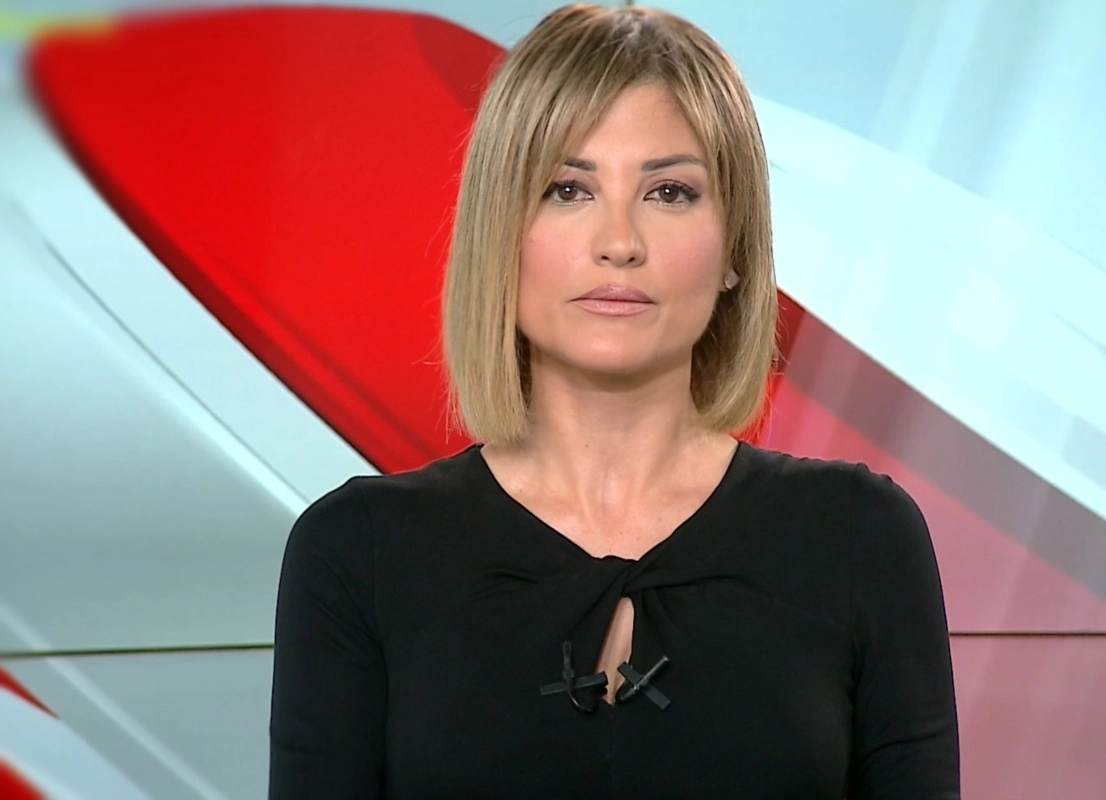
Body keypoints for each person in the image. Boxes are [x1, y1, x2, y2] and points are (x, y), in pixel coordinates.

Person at [268, 4, 960, 798]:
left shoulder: (858, 537)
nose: (620, 243)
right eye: (568, 189)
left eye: (669, 192)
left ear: (734, 250)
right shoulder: (359, 552)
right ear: (501, 232)